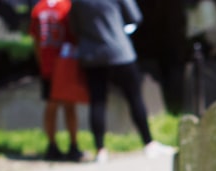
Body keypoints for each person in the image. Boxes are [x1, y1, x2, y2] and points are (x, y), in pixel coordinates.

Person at [66, 0, 172, 162]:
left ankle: (100, 149)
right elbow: (135, 17)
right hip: (119, 50)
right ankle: (148, 143)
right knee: (134, 97)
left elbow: (74, 27)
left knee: (97, 102)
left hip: (92, 54)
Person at [30, 0, 83, 162]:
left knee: (52, 105)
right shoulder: (67, 7)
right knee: (69, 105)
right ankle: (73, 146)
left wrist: (41, 63)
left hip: (48, 63)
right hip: (66, 62)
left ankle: (52, 145)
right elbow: (76, 35)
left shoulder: (38, 9)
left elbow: (36, 41)